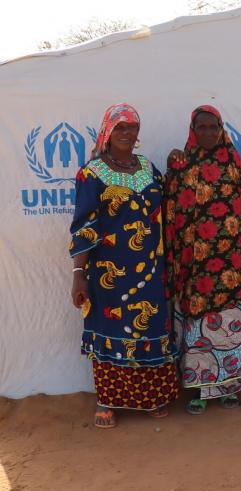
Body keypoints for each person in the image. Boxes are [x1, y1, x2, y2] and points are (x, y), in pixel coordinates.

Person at [69, 103, 178, 429]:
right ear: (108, 131)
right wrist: (78, 275)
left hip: (150, 269)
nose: (128, 134)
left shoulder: (148, 168)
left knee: (151, 328)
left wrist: (177, 169)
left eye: (133, 128)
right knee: (111, 331)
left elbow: (167, 207)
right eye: (121, 128)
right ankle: (108, 401)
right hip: (108, 275)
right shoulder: (92, 174)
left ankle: (152, 398)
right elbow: (84, 226)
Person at [164, 105, 241, 415]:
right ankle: (199, 391)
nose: (207, 132)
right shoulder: (181, 164)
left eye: (212, 127)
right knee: (198, 328)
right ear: (193, 129)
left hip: (229, 265)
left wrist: (232, 250)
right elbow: (171, 210)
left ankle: (229, 387)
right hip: (195, 267)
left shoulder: (234, 166)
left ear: (221, 128)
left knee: (228, 325)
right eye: (201, 127)